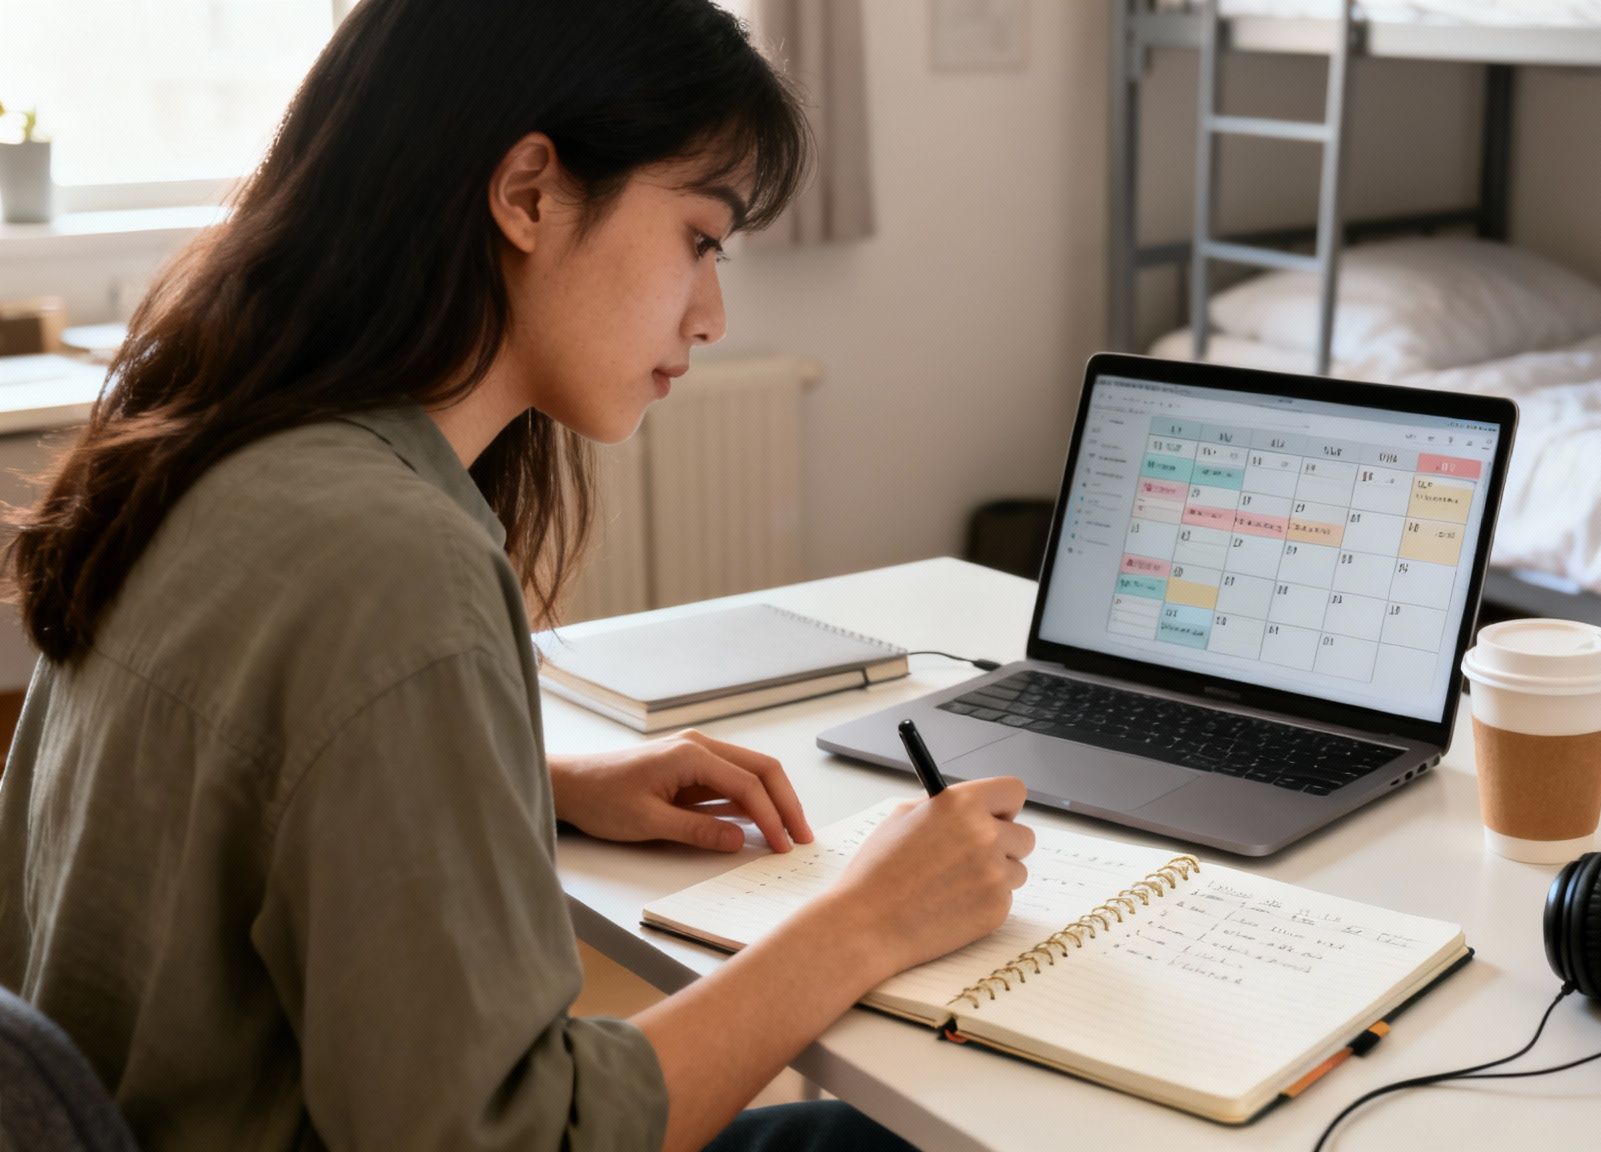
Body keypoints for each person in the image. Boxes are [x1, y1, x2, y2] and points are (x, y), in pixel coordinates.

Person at [0, 1, 1036, 1149]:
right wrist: (867, 920)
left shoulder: (210, 437)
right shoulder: (388, 560)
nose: (710, 315)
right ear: (530, 193)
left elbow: (229, 783)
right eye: (699, 239)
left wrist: (535, 785)